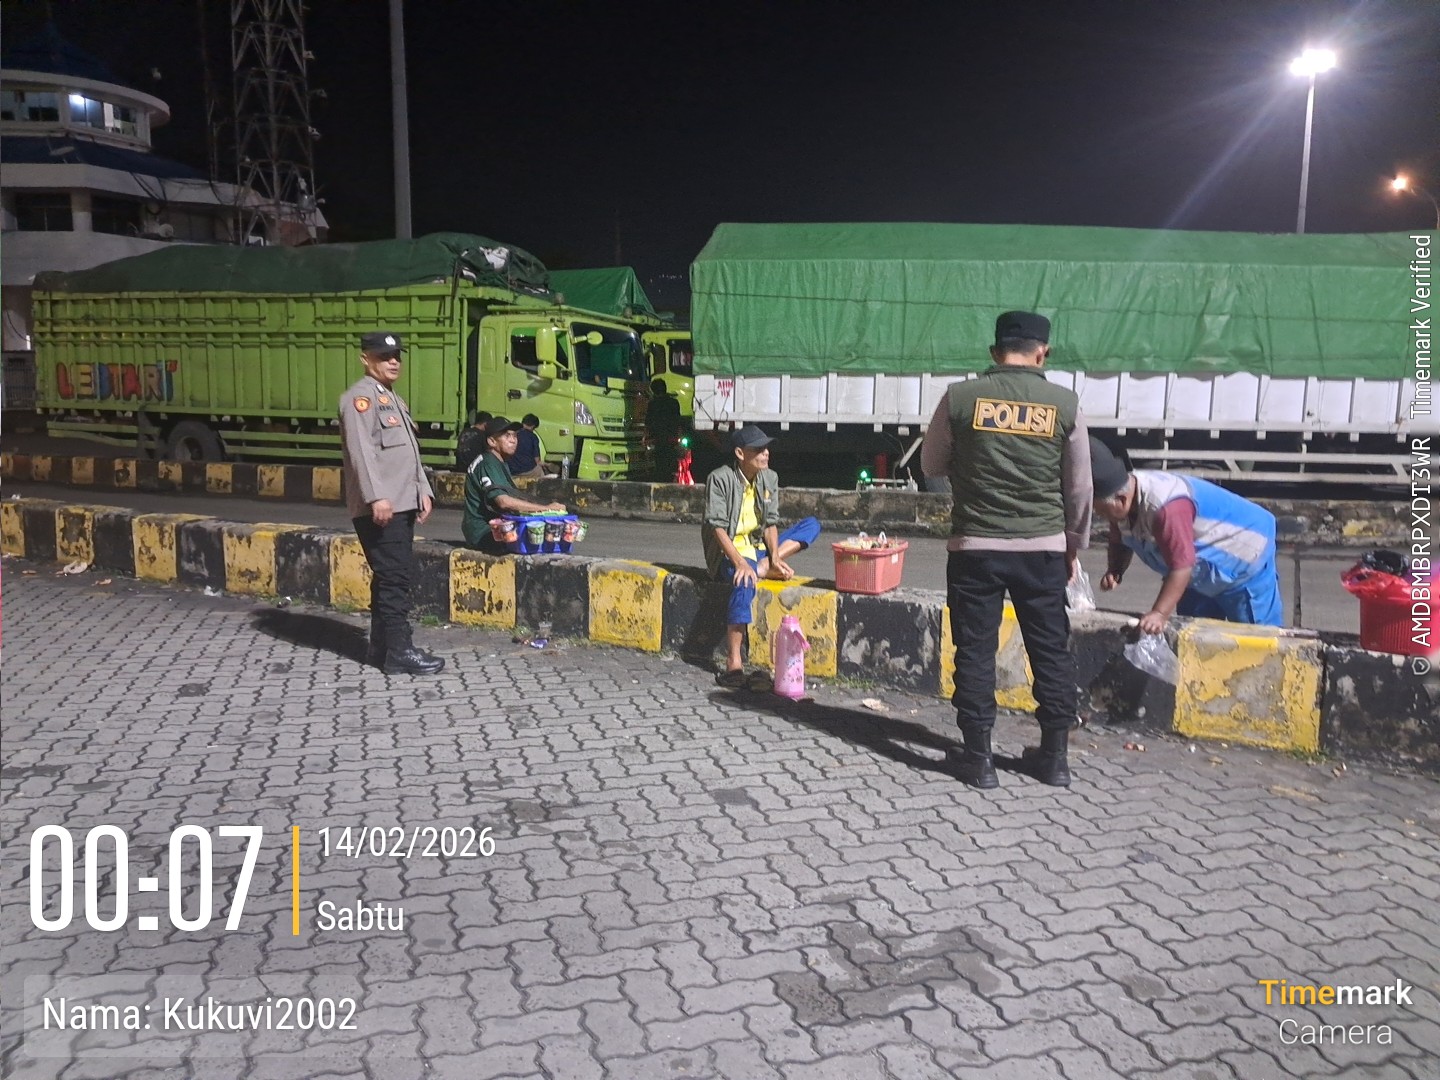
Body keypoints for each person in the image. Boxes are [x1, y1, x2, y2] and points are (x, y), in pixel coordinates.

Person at [920, 311, 1091, 789]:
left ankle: (979, 760)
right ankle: (1055, 759)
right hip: (1044, 549)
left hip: (976, 546)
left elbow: (931, 463)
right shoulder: (1065, 404)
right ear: (1043, 353)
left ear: (995, 352)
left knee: (975, 650)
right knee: (1049, 648)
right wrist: (1072, 546)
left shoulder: (960, 398)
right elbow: (1080, 487)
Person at [1090, 437, 1283, 629]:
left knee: (1256, 638)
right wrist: (1116, 569)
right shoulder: (1121, 505)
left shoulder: (1165, 509)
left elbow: (1181, 566)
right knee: (1195, 634)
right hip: (1198, 573)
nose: (1100, 515)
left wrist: (1159, 613)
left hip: (1244, 560)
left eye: (1102, 511)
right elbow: (1119, 540)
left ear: (1122, 500)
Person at [339, 331, 445, 676]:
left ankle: (381, 648)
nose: (394, 361)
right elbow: (361, 452)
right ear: (365, 359)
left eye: (397, 355)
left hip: (402, 501)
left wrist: (422, 489)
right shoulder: (359, 399)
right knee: (396, 578)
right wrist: (376, 497)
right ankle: (400, 652)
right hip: (383, 506)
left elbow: (408, 453)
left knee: (388, 576)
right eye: (384, 356)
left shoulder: (392, 398)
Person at [702, 424, 821, 687]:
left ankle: (765, 565)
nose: (766, 454)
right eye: (758, 449)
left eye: (766, 448)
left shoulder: (769, 478)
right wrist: (740, 563)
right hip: (730, 552)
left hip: (757, 548)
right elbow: (717, 528)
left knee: (812, 525)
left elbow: (770, 524)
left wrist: (775, 556)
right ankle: (734, 662)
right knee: (745, 581)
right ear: (740, 453)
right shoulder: (720, 479)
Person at [462, 415, 568, 550]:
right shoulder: (488, 463)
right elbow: (504, 502)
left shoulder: (498, 462)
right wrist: (547, 509)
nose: (513, 440)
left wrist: (546, 508)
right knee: (542, 542)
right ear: (492, 441)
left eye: (514, 436)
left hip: (498, 528)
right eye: (507, 436)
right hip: (485, 532)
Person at [646, 379, 684, 482]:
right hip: (671, 439)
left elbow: (648, 423)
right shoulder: (674, 402)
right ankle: (670, 479)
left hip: (658, 440)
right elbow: (678, 421)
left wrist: (647, 437)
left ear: (654, 391)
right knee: (671, 463)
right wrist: (679, 436)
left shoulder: (653, 404)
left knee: (660, 465)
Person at [508, 414, 549, 480]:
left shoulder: (513, 435)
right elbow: (537, 461)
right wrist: (547, 465)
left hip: (512, 471)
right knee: (540, 473)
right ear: (533, 426)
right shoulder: (533, 437)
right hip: (528, 470)